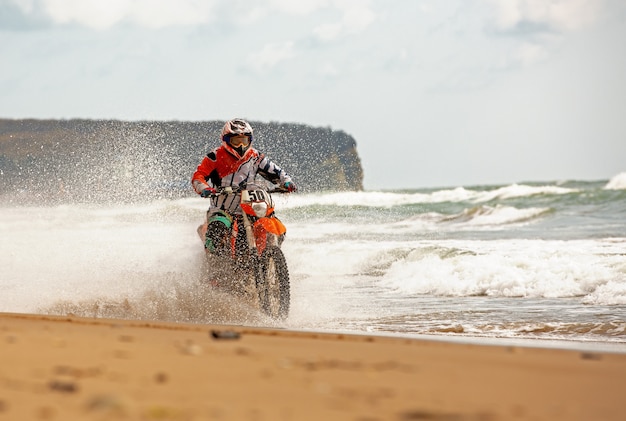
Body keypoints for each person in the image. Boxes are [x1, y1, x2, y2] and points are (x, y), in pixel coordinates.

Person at [192, 118, 296, 254]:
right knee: (216, 233)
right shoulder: (215, 157)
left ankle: (270, 256)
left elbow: (277, 171)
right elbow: (198, 176)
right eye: (236, 141)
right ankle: (214, 270)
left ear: (250, 140)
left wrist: (287, 182)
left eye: (244, 140)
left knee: (276, 227)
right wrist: (204, 188)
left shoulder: (256, 157)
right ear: (226, 140)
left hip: (250, 207)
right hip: (222, 209)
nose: (241, 145)